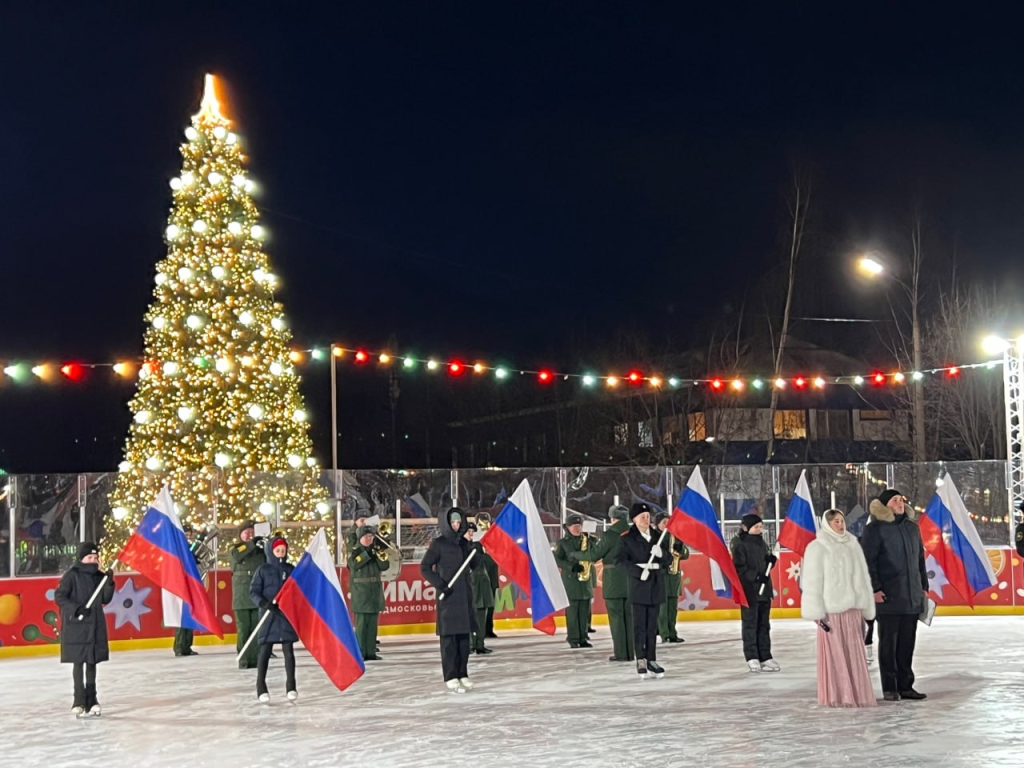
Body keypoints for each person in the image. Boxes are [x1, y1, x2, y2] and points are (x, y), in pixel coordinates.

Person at [801, 509, 877, 707]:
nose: (841, 525)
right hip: (831, 611)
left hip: (853, 609)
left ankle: (858, 694)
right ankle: (837, 695)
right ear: (827, 524)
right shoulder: (817, 547)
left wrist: (866, 603)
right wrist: (816, 612)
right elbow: (812, 582)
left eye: (842, 521)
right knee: (835, 654)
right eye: (836, 521)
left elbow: (862, 577)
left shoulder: (853, 545)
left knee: (854, 652)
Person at [860, 488, 929, 702]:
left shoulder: (912, 528)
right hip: (888, 596)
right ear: (884, 505)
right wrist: (875, 589)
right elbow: (867, 562)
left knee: (907, 642)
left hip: (911, 596)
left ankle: (906, 685)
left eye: (901, 499)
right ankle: (890, 687)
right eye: (894, 500)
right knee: (889, 643)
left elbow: (919, 560)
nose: (900, 503)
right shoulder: (875, 529)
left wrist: (923, 587)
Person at [54, 541, 115, 716]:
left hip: (94, 625)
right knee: (78, 663)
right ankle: (78, 700)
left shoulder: (99, 577)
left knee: (91, 662)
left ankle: (92, 700)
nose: (93, 560)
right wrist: (76, 608)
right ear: (82, 558)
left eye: (95, 557)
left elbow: (105, 599)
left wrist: (109, 583)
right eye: (90, 557)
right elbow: (60, 597)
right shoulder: (71, 576)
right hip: (77, 626)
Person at [420, 507, 477, 693]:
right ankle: (451, 675)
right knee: (449, 640)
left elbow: (474, 566)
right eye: (453, 522)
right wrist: (440, 584)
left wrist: (477, 551)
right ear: (446, 523)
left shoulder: (464, 543)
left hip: (464, 596)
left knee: (463, 639)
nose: (456, 525)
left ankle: (463, 673)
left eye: (459, 522)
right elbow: (425, 567)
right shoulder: (439, 544)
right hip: (448, 597)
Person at [572, 504, 634, 662]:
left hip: (613, 580)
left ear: (612, 518)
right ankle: (631, 653)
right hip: (632, 579)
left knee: (616, 618)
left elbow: (594, 555)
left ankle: (621, 654)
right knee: (630, 617)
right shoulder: (635, 533)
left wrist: (577, 554)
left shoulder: (610, 535)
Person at [616, 502, 671, 679]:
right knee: (639, 625)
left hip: (655, 583)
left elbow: (669, 559)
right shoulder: (627, 538)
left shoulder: (658, 536)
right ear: (634, 519)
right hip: (639, 586)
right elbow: (620, 562)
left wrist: (662, 554)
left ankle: (651, 659)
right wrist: (639, 572)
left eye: (648, 516)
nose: (646, 519)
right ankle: (641, 658)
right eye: (642, 517)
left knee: (651, 626)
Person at [249, 535, 298, 703]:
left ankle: (291, 686)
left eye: (283, 550)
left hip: (285, 615)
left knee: (288, 651)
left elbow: (297, 590)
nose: (281, 553)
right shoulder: (263, 570)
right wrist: (263, 603)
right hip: (268, 616)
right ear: (271, 551)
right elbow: (254, 591)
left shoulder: (290, 570)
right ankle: (261, 686)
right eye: (277, 550)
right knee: (265, 651)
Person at [731, 513, 779, 672]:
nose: (760, 529)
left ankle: (765, 655)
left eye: (760, 527)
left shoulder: (762, 543)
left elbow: (764, 566)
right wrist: (755, 577)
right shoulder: (740, 544)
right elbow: (739, 569)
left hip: (764, 591)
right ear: (746, 527)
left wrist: (770, 562)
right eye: (756, 527)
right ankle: (752, 656)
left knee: (764, 624)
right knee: (751, 624)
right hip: (750, 591)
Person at [553, 514, 595, 649]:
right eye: (574, 526)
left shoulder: (588, 540)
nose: (577, 528)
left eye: (579, 526)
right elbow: (557, 559)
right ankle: (573, 638)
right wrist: (571, 567)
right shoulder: (563, 543)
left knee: (584, 611)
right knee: (572, 612)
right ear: (568, 527)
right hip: (571, 581)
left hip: (585, 581)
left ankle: (583, 637)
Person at [229, 519, 266, 669]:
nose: (250, 535)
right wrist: (252, 544)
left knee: (256, 629)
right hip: (241, 596)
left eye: (253, 533)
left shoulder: (261, 551)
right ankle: (244, 659)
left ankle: (256, 659)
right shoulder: (235, 549)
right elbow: (238, 556)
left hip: (258, 594)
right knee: (243, 629)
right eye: (247, 533)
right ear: (240, 535)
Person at [349, 524, 388, 661]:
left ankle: (371, 652)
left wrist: (378, 554)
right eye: (366, 536)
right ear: (360, 538)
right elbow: (354, 564)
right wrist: (367, 554)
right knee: (361, 627)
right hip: (361, 594)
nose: (368, 539)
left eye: (371, 536)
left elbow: (385, 565)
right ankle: (360, 653)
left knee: (372, 626)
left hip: (374, 593)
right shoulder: (355, 552)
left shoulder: (375, 551)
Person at [655, 512, 689, 644]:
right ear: (658, 524)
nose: (667, 525)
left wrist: (680, 549)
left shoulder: (676, 536)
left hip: (673, 577)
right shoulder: (655, 537)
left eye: (668, 522)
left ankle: (672, 633)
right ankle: (664, 634)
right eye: (664, 522)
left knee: (672, 608)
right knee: (662, 609)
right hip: (662, 576)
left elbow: (686, 555)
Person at [465, 522, 494, 655]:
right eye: (469, 531)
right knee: (471, 617)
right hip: (472, 586)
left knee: (481, 617)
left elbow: (489, 563)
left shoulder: (480, 548)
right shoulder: (464, 547)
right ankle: (471, 644)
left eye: (473, 531)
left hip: (483, 586)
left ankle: (480, 644)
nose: (471, 534)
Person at [173, 524, 199, 656]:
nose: (188, 537)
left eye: (189, 535)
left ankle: (187, 645)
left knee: (190, 615)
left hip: (190, 585)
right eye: (186, 535)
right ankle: (179, 646)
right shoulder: (177, 548)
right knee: (181, 618)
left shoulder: (189, 548)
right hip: (180, 586)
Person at [474, 513, 500, 639]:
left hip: (492, 570)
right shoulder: (475, 536)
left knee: (491, 603)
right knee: (481, 604)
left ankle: (489, 628)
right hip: (482, 572)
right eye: (482, 520)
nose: (485, 523)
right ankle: (481, 629)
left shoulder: (493, 534)